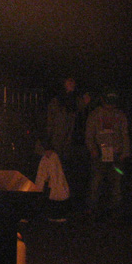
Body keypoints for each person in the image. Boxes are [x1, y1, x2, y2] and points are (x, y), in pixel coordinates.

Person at [85, 90, 131, 219]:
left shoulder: (120, 115)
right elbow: (89, 134)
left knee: (116, 183)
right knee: (96, 181)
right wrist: (92, 149)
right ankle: (92, 207)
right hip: (100, 153)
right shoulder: (95, 114)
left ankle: (115, 209)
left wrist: (125, 152)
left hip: (116, 153)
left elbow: (125, 134)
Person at [46, 77, 91, 206]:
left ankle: (70, 202)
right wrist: (48, 144)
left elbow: (81, 119)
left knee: (72, 174)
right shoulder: (57, 102)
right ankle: (58, 203)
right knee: (57, 174)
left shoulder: (77, 101)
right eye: (68, 81)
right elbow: (50, 124)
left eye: (73, 81)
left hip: (73, 143)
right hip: (59, 143)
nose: (71, 83)